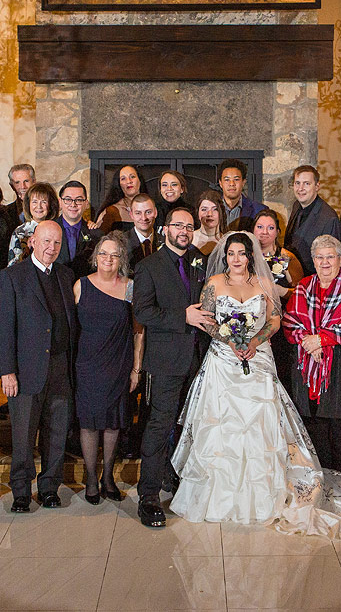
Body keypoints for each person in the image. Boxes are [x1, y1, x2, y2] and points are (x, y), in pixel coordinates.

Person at [170, 231, 341, 539]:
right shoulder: (213, 284)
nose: (236, 259)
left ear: (250, 256)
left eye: (242, 254)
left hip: (257, 360)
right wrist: (230, 341)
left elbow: (275, 320)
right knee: (222, 427)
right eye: (231, 254)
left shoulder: (263, 284)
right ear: (225, 257)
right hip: (224, 362)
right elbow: (207, 320)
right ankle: (220, 495)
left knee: (262, 428)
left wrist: (255, 340)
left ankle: (263, 495)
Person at [132, 205, 212, 528]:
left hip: (197, 359)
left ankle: (175, 479)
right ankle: (148, 496)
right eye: (178, 225)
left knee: (187, 426)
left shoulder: (198, 261)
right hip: (165, 361)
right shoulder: (148, 266)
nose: (184, 231)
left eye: (189, 226)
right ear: (165, 229)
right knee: (159, 426)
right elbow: (143, 312)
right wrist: (183, 317)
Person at [0, 220, 77, 512]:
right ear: (32, 242)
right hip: (25, 371)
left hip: (60, 369)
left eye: (56, 243)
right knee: (23, 436)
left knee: (56, 434)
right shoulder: (12, 277)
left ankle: (49, 488)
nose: (51, 248)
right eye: (45, 242)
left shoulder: (66, 276)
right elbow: (2, 328)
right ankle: (20, 491)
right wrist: (7, 371)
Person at [282, 234, 341, 479]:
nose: (324, 262)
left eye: (330, 256)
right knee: (316, 439)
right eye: (319, 257)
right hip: (308, 379)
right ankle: (323, 489)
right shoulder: (303, 287)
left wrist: (322, 338)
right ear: (312, 260)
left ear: (340, 259)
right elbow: (289, 322)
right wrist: (308, 341)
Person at [73, 232, 143, 504]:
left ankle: (108, 478)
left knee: (113, 423)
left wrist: (136, 368)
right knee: (89, 424)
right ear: (95, 257)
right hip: (87, 364)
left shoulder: (130, 287)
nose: (108, 259)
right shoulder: (80, 285)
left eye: (115, 255)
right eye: (104, 253)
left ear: (122, 259)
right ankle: (91, 478)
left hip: (118, 362)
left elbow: (139, 331)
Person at [252, 208, 303, 384]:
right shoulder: (245, 257)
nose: (264, 232)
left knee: (280, 371)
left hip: (281, 325)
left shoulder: (287, 258)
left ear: (278, 232)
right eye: (259, 227)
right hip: (253, 322)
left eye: (270, 228)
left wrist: (281, 291)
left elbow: (302, 295)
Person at [283, 165, 341, 277]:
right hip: (292, 276)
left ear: (317, 186)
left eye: (306, 183)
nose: (300, 188)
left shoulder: (329, 218)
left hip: (312, 280)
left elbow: (331, 261)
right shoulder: (296, 205)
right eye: (297, 183)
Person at [8, 182, 59, 265]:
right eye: (34, 202)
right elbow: (12, 264)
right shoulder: (20, 231)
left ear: (50, 206)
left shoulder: (58, 229)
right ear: (28, 205)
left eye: (43, 202)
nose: (39, 206)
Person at [58, 180, 99, 279]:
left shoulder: (96, 234)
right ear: (60, 202)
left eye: (79, 200)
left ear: (86, 204)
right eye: (68, 199)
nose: (73, 204)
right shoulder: (48, 230)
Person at [216, 159, 264, 231]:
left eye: (236, 179)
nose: (232, 184)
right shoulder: (211, 209)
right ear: (220, 183)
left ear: (243, 182)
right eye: (227, 179)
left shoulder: (259, 210)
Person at [94, 164, 143, 233]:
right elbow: (99, 239)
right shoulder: (111, 211)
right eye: (123, 178)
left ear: (140, 180)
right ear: (118, 184)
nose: (129, 181)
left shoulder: (153, 208)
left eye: (132, 177)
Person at [127, 193, 160, 265]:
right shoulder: (122, 243)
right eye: (138, 213)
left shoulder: (165, 241)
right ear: (131, 215)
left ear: (155, 212)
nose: (144, 218)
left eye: (148, 212)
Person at [192, 190, 223, 255]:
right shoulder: (189, 238)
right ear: (198, 213)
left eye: (215, 209)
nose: (209, 214)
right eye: (204, 209)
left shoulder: (226, 240)